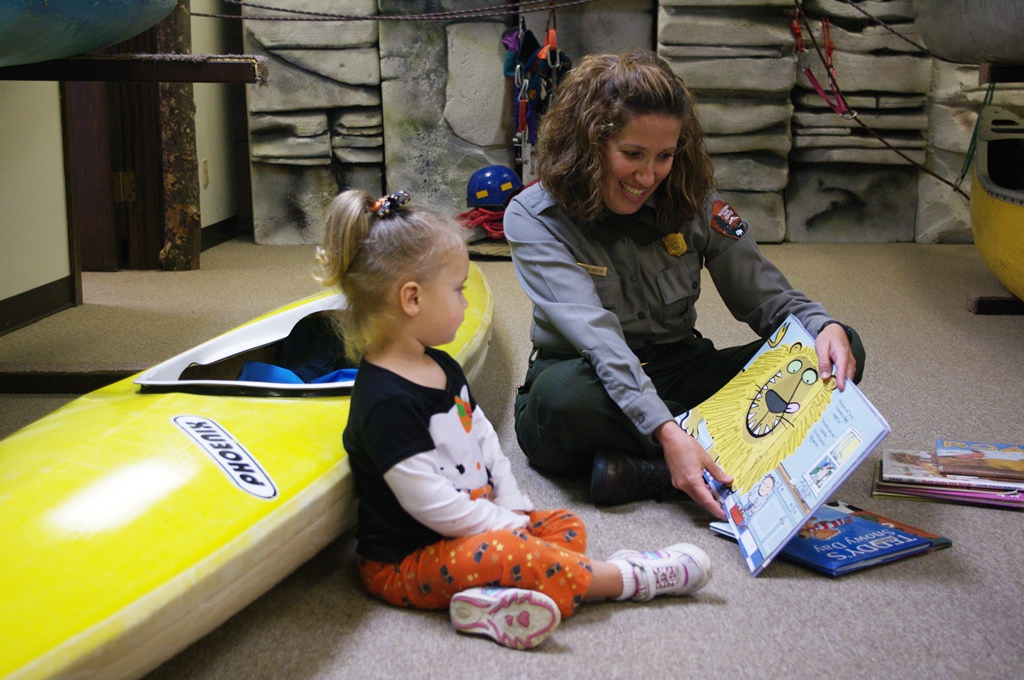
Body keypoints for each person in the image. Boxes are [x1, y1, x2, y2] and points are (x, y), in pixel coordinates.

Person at [315, 188, 713, 651]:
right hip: (408, 561)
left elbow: (481, 435)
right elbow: (429, 504)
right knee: (513, 549)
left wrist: (513, 502)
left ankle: (489, 601)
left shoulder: (439, 365)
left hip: (475, 529)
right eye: (458, 290)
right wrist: (500, 525)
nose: (466, 303)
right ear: (412, 299)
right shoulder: (384, 401)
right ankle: (627, 578)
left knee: (566, 526)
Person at [503, 50, 866, 520]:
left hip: (681, 369)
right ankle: (715, 454)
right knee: (562, 403)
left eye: (664, 156)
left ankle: (646, 471)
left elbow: (767, 297)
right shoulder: (534, 216)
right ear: (588, 143)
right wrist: (667, 429)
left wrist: (822, 325)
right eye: (631, 154)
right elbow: (597, 340)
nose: (647, 176)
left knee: (837, 348)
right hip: (589, 378)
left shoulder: (694, 201)